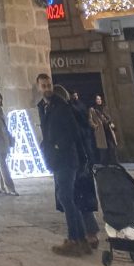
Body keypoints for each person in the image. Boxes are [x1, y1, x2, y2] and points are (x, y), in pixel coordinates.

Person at [37, 76, 91, 257]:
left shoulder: (60, 106)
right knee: (68, 198)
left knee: (65, 197)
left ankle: (74, 240)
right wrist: (47, 147)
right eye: (43, 86)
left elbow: (73, 131)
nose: (47, 88)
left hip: (66, 159)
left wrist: (57, 146)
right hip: (56, 159)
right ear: (39, 87)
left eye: (49, 85)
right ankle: (82, 240)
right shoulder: (43, 107)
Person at [60, 85, 100, 249]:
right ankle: (85, 234)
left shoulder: (68, 114)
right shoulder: (75, 111)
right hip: (79, 160)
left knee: (75, 197)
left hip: (76, 161)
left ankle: (84, 235)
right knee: (76, 197)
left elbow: (76, 137)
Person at [90, 94, 118, 165]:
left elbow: (109, 117)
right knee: (103, 147)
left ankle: (114, 161)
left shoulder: (104, 108)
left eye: (100, 99)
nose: (99, 101)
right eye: (97, 99)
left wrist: (111, 123)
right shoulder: (92, 109)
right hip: (100, 131)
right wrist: (95, 126)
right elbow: (90, 120)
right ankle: (104, 162)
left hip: (108, 129)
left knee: (111, 145)